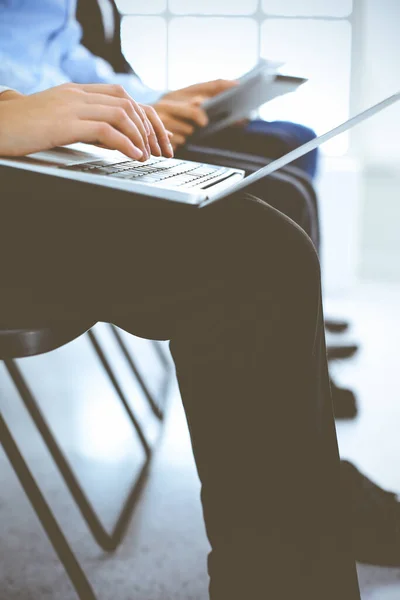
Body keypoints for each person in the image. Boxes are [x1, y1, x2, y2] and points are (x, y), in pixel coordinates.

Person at [0, 0, 399, 570]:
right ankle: (299, 530)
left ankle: (309, 494)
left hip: (35, 146)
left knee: (268, 217)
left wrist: (137, 104)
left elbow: (57, 52)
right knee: (256, 254)